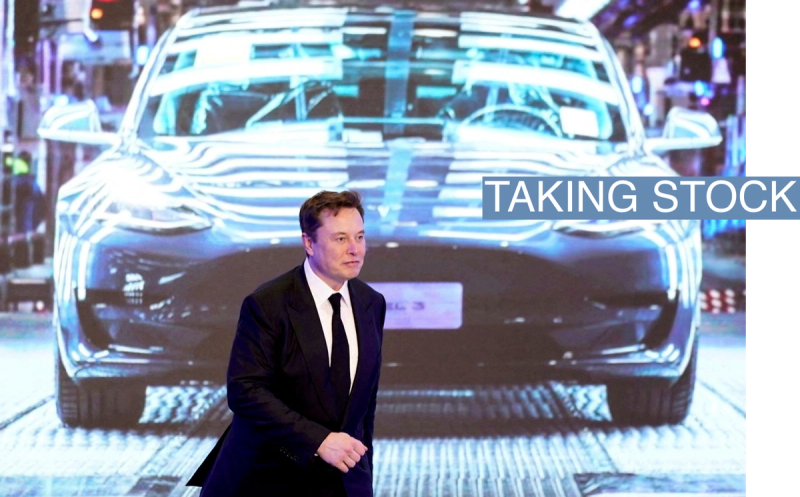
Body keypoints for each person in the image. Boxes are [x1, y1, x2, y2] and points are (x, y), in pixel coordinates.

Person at [188, 190, 386, 497]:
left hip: (344, 483)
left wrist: (362, 478)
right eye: (340, 239)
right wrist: (319, 441)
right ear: (309, 243)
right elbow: (245, 391)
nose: (354, 250)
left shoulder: (371, 303)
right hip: (268, 479)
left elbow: (364, 406)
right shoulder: (268, 303)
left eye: (360, 237)